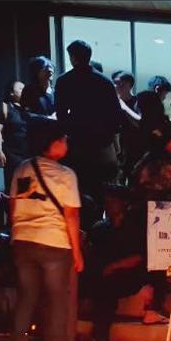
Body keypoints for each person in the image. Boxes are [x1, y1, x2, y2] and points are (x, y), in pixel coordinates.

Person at [6, 120, 87, 341]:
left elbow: (14, 204)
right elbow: (71, 215)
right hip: (54, 242)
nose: (66, 144)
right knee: (57, 297)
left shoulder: (22, 169)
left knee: (27, 295)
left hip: (23, 239)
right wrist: (77, 251)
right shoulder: (65, 175)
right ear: (54, 144)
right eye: (63, 139)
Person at [86, 186, 169, 341]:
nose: (108, 205)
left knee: (155, 267)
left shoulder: (135, 227)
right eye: (106, 202)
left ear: (123, 203)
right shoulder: (101, 229)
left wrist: (114, 266)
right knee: (104, 285)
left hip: (132, 272)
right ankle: (99, 335)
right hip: (111, 274)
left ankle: (152, 309)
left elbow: (139, 256)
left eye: (113, 202)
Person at [54, 40, 122, 230]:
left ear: (72, 57)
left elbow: (60, 114)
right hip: (102, 146)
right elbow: (116, 117)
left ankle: (80, 231)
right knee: (103, 191)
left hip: (77, 145)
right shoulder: (104, 82)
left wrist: (70, 132)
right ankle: (99, 231)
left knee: (77, 191)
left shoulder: (64, 81)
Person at [0, 80, 29, 191]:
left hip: (28, 155)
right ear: (11, 93)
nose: (24, 91)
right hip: (12, 156)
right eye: (21, 88)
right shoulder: (5, 107)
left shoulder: (28, 110)